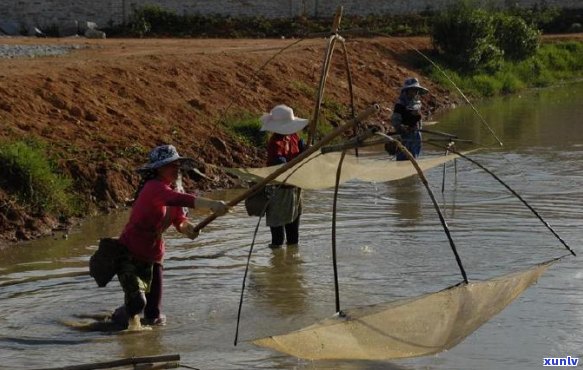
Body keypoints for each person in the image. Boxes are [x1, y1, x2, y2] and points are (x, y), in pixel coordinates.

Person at [110, 144, 228, 329]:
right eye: (170, 165)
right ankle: (117, 319)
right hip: (129, 253)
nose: (176, 169)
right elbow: (179, 199)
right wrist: (211, 204)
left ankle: (146, 340)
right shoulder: (153, 188)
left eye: (176, 165)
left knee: (154, 315)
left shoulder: (173, 191)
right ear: (158, 169)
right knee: (137, 303)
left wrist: (186, 228)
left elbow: (179, 218)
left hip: (154, 255)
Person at [260, 104, 308, 248]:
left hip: (294, 189)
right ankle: (277, 259)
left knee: (293, 236)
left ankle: (289, 263)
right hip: (278, 191)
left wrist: (306, 149)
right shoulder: (275, 143)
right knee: (278, 238)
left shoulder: (294, 137)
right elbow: (280, 164)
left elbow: (301, 150)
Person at [391, 77, 429, 161]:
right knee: (403, 158)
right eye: (412, 90)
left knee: (414, 158)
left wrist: (418, 129)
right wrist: (402, 128)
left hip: (416, 135)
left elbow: (419, 121)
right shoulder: (400, 105)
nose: (414, 92)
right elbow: (395, 121)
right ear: (407, 91)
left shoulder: (417, 103)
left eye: (416, 90)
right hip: (405, 136)